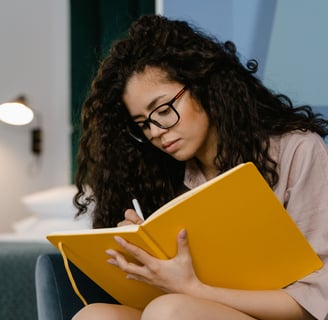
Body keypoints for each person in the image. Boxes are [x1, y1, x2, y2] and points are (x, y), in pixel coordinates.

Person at [72, 14, 328, 320]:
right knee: (94, 316)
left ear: (204, 86)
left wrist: (192, 289)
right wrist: (146, 255)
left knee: (170, 311)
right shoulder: (161, 175)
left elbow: (315, 301)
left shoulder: (298, 149)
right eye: (142, 124)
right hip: (189, 309)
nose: (155, 131)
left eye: (163, 110)